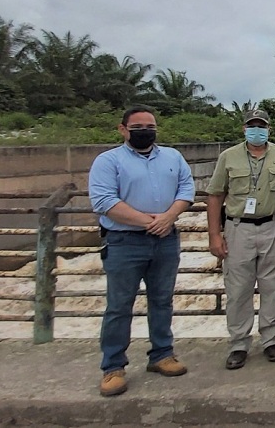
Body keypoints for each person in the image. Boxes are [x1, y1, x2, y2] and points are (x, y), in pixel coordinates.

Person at [88, 106, 195, 397]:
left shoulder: (173, 157)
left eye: (150, 126)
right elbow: (104, 201)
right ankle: (113, 367)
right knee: (119, 305)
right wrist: (150, 221)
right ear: (123, 129)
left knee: (162, 300)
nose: (145, 131)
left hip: (166, 239)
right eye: (137, 126)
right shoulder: (108, 161)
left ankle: (162, 354)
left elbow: (187, 189)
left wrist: (168, 217)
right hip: (124, 241)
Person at [206, 109, 275, 370]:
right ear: (244, 129)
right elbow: (215, 196)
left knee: (272, 285)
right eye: (252, 125)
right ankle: (238, 344)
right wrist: (214, 234)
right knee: (238, 289)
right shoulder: (228, 157)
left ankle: (270, 339)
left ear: (269, 129)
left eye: (262, 126)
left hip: (273, 225)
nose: (257, 130)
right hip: (238, 228)